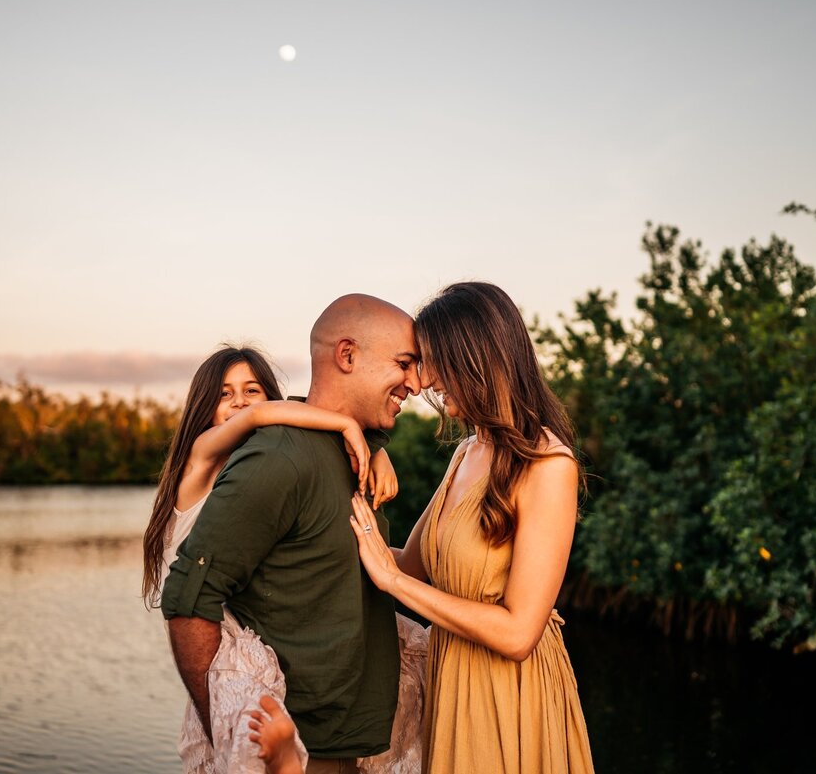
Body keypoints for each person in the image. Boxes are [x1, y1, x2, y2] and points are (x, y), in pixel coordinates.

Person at [161, 295, 424, 774]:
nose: (418, 382)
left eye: (251, 391)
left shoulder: (348, 451)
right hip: (299, 752)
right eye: (405, 364)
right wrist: (228, 735)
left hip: (353, 746)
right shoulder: (275, 458)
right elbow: (185, 601)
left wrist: (371, 442)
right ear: (346, 355)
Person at [349, 282, 594, 774]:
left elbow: (519, 632)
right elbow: (409, 566)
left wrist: (391, 580)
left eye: (432, 360)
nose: (422, 380)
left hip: (509, 693)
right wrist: (362, 449)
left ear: (475, 356)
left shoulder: (549, 465)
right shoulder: (467, 451)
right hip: (451, 675)